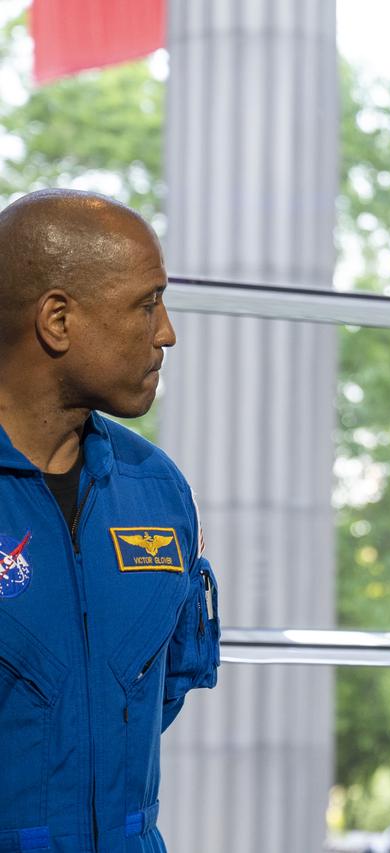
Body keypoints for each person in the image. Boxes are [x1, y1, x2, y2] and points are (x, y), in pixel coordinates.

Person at [0, 189, 220, 852]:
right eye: (146, 303)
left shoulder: (157, 489)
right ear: (58, 320)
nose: (166, 332)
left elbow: (168, 681)